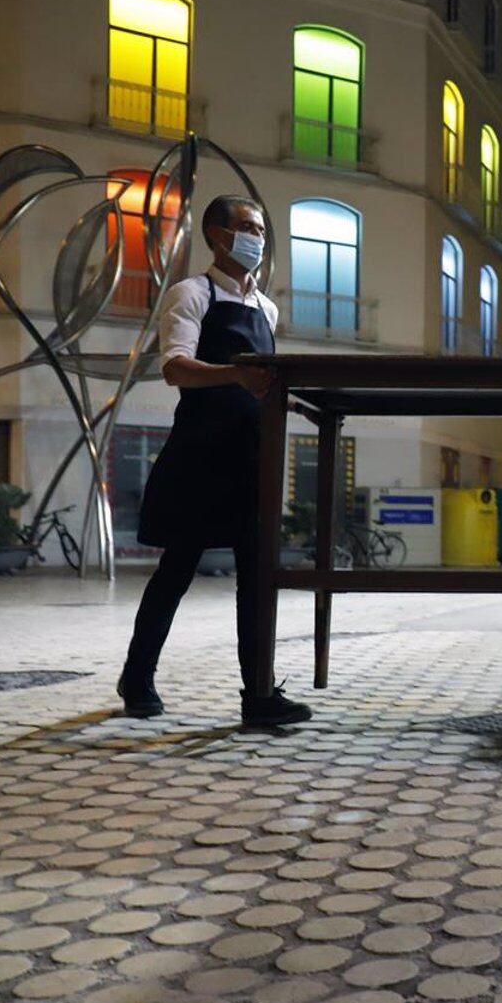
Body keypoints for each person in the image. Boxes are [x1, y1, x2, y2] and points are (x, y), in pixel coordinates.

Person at [117, 195, 313, 730]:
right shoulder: (192, 293)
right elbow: (176, 369)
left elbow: (264, 384)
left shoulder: (266, 309)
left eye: (261, 228)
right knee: (175, 572)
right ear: (217, 235)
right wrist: (235, 374)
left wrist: (288, 400)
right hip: (202, 455)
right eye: (248, 227)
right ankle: (137, 678)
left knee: (256, 578)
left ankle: (258, 696)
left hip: (252, 458)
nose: (258, 237)